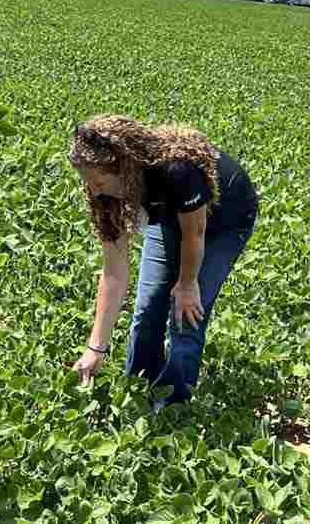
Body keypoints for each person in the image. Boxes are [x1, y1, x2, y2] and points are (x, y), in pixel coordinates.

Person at [68, 115, 259, 410]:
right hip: (170, 217)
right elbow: (114, 275)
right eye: (88, 182)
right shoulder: (105, 196)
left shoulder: (176, 169)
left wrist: (186, 284)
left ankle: (174, 408)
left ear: (125, 167)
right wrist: (96, 347)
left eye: (99, 181)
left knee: (186, 314)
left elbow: (194, 234)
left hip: (224, 220)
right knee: (147, 307)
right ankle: (139, 395)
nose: (93, 190)